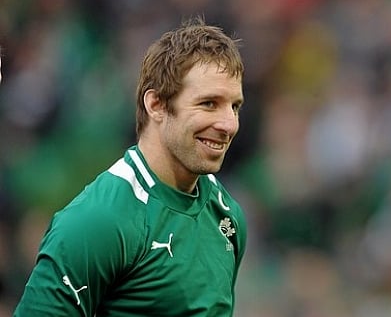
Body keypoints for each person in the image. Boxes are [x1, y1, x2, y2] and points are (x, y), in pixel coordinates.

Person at [14, 18, 247, 316]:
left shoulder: (227, 216)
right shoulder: (97, 221)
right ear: (157, 105)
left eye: (235, 106)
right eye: (209, 103)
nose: (229, 124)